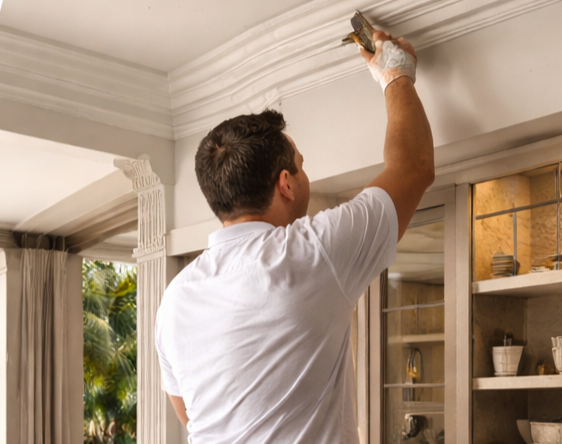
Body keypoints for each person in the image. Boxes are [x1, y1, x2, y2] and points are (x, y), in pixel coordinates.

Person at [155, 30, 434, 443]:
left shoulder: (176, 298)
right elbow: (413, 168)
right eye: (301, 166)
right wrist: (396, 74)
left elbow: (191, 415)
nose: (305, 173)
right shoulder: (311, 253)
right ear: (286, 184)